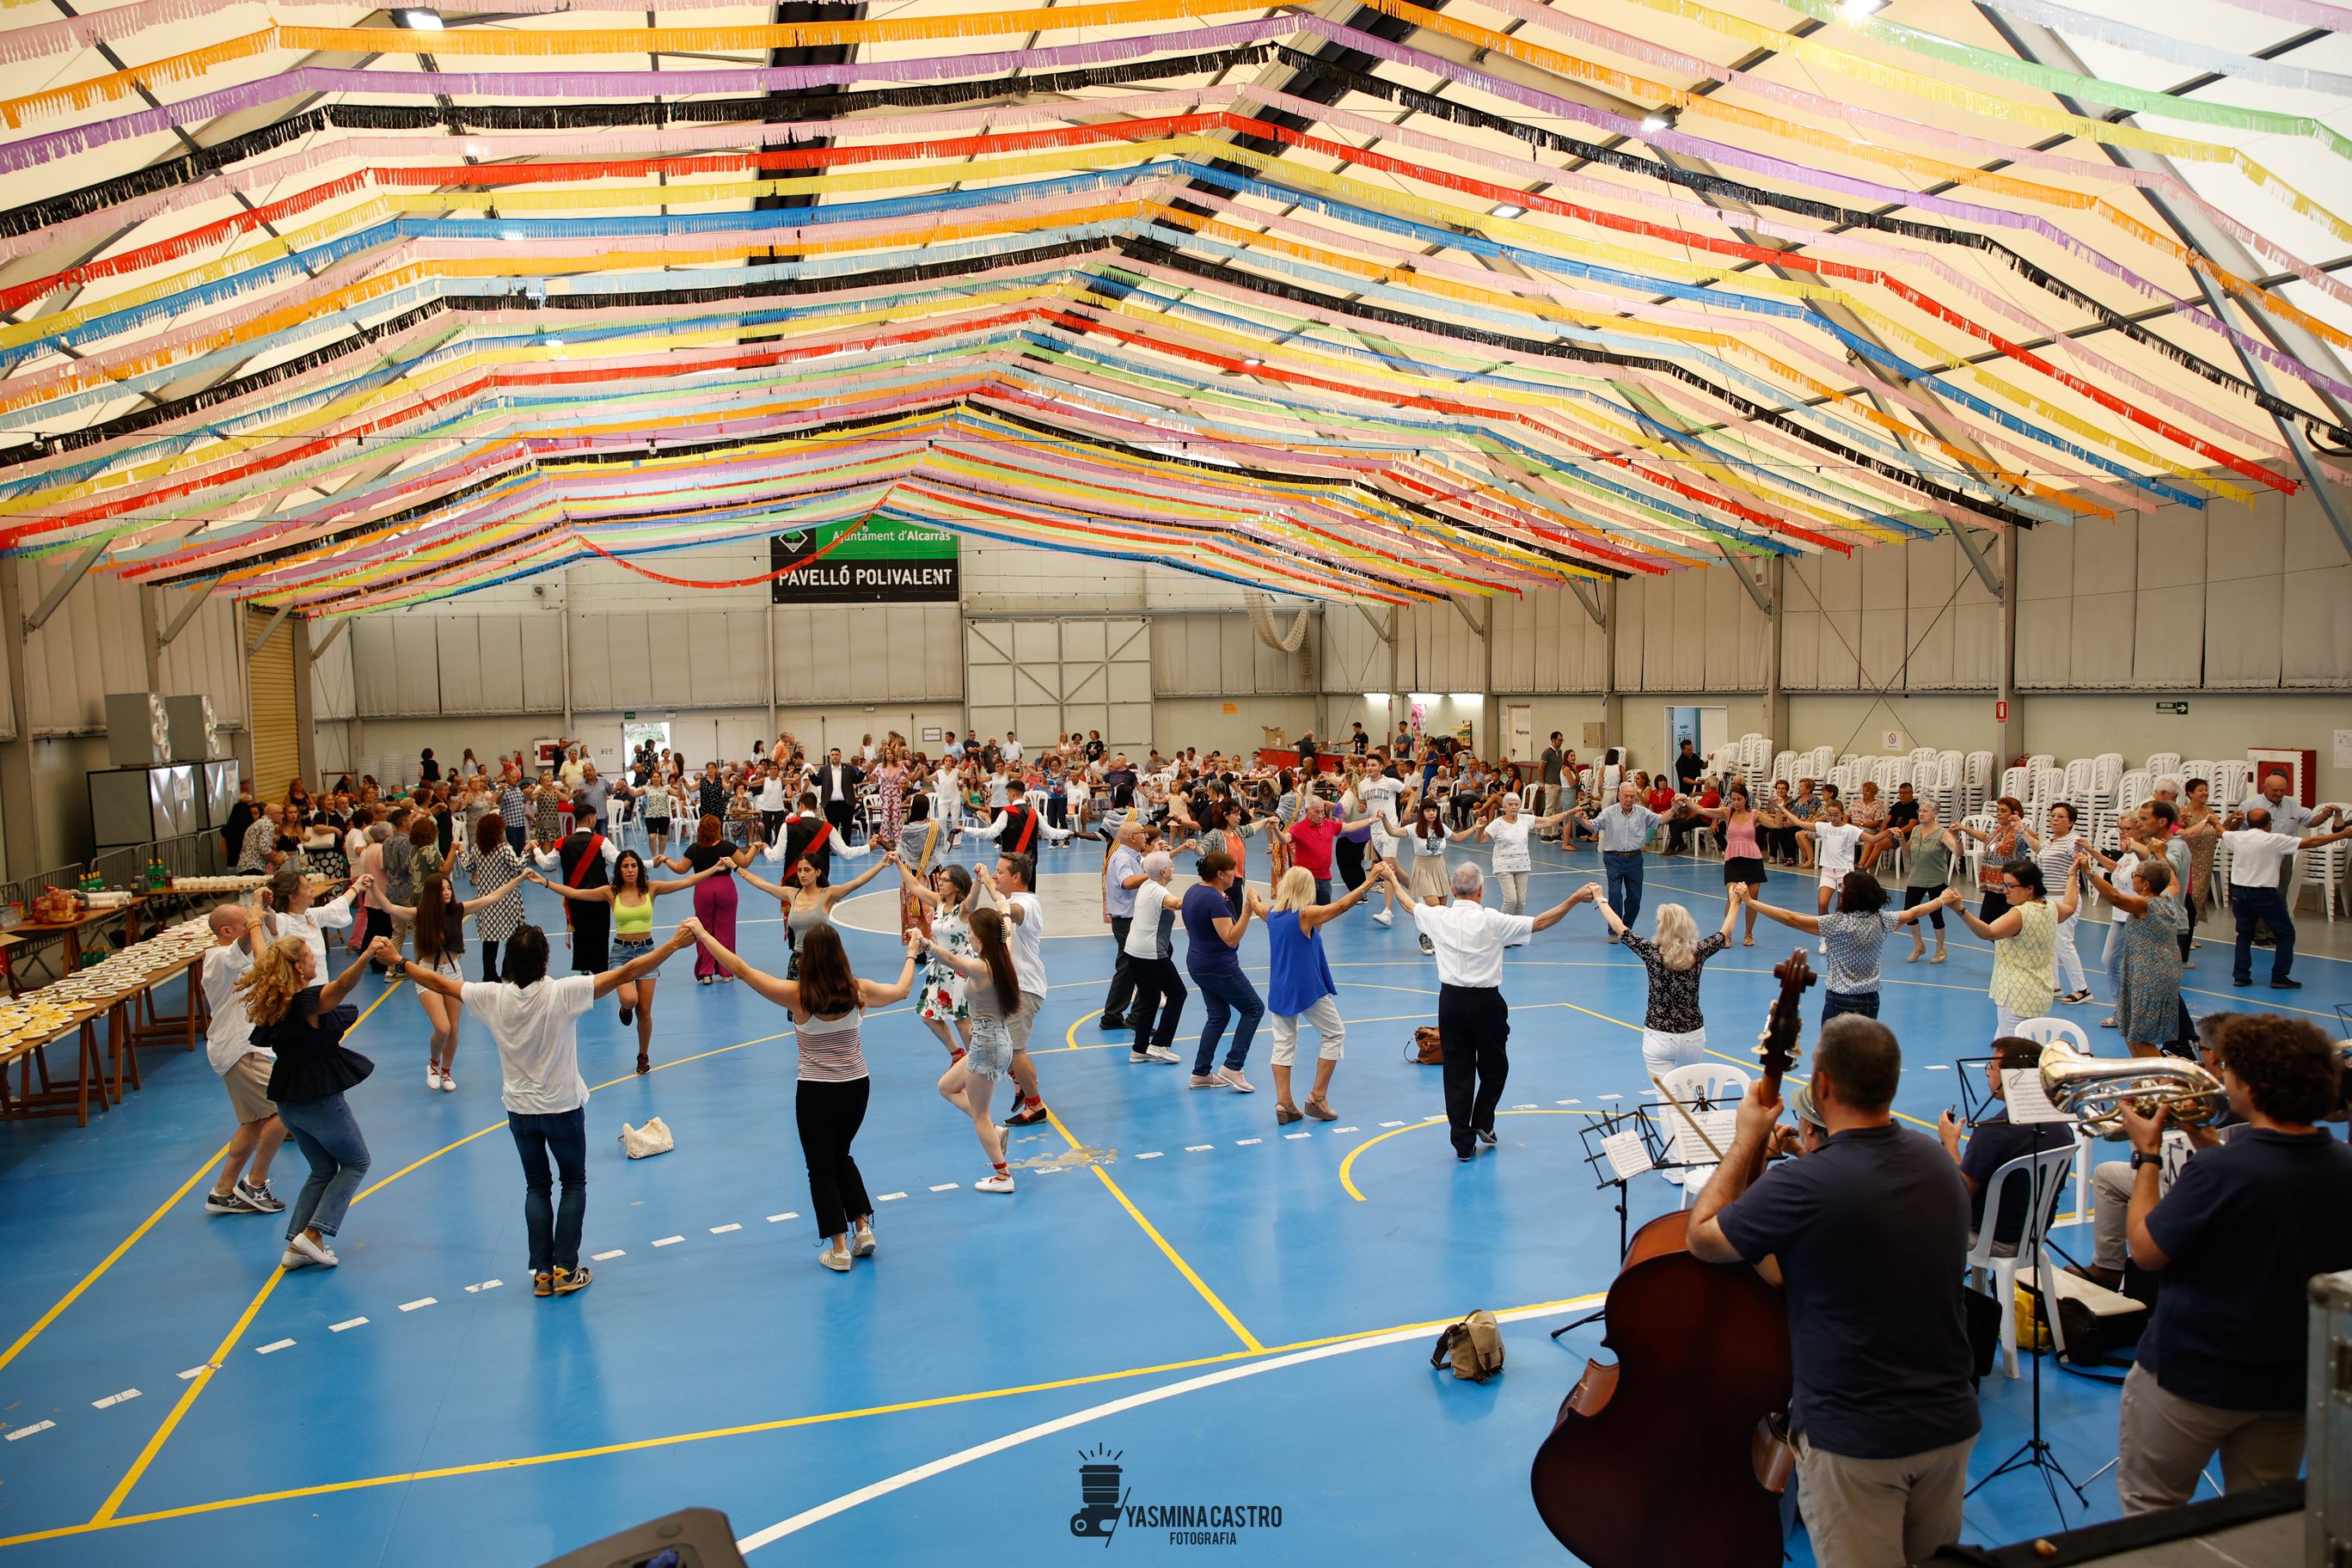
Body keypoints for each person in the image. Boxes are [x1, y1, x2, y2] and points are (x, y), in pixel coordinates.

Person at [1687, 1017, 1979, 1568]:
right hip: (1949, 1424)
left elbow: (1703, 1238)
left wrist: (1748, 1138)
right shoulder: (1937, 1163)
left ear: (1822, 1085)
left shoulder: (1805, 1185)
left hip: (1858, 1439)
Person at [2113, 1012, 2352, 1512]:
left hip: (2195, 1374)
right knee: (2256, 1520)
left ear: (2249, 1085)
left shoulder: (2223, 1170)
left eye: (2228, 1070)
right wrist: (2203, 1140)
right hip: (2288, 1381)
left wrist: (2148, 1155)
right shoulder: (2340, 1164)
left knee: (2151, 1508)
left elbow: (2146, 1251)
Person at [390, 923, 694, 1295]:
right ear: (545, 960)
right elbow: (626, 972)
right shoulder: (563, 992)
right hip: (561, 1107)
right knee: (573, 1183)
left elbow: (439, 982)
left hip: (519, 1111)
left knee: (537, 1187)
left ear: (509, 963)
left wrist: (399, 961)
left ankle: (543, 1274)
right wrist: (674, 944)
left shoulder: (491, 996)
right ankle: (567, 1268)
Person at [686, 919, 920, 1270]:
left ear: (806, 958)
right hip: (857, 1087)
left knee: (821, 1168)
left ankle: (839, 1249)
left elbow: (743, 971)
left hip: (816, 1092)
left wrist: (704, 934)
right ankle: (862, 1228)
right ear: (840, 955)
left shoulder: (799, 996)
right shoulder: (859, 991)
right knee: (841, 1154)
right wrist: (913, 951)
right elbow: (902, 991)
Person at [1386, 861, 1591, 1161]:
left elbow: (1407, 904)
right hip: (1486, 1004)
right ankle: (1483, 1119)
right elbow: (1540, 923)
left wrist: (1391, 878)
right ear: (1481, 891)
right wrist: (1574, 899)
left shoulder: (1437, 916)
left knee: (1457, 1073)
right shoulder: (1492, 920)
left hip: (1450, 1003)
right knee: (1495, 1068)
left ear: (1452, 890)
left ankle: (1463, 1143)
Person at [2069, 1013, 2245, 1293]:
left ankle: (2108, 1267)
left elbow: (2162, 1142)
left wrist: (2155, 1099)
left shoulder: (2215, 1097)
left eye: (2201, 1048)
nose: (2199, 1057)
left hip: (2188, 1183)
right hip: (2218, 1181)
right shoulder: (2247, 1089)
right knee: (2107, 1173)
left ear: (2214, 1056)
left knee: (2108, 1177)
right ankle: (2108, 1268)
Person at [242, 933, 383, 1271]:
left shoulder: (275, 1001)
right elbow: (342, 986)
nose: (313, 960)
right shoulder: (306, 1002)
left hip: (289, 1104)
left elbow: (268, 954)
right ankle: (314, 1234)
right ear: (297, 967)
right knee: (357, 1162)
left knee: (322, 1169)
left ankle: (297, 1245)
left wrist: (256, 927)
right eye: (308, 956)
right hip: (317, 1099)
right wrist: (366, 956)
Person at [532, 848, 731, 1073]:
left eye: (634, 866)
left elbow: (686, 882)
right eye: (625, 866)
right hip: (621, 954)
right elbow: (575, 893)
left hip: (647, 953)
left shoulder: (651, 889)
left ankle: (643, 1055)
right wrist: (545, 882)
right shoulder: (611, 892)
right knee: (630, 999)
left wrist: (714, 869)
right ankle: (625, 1008)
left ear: (639, 869)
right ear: (619, 870)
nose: (630, 870)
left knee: (644, 1011)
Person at [374, 854, 530, 1092]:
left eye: (449, 888)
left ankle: (446, 1071)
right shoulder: (420, 914)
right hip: (427, 973)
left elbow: (493, 897)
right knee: (443, 1028)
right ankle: (433, 1065)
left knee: (454, 1029)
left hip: (454, 973)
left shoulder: (457, 910)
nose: (447, 892)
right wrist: (372, 888)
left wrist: (519, 878)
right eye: (442, 889)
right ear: (432, 893)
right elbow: (389, 908)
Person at [1742, 873, 1961, 1022]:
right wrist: (1941, 900)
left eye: (1843, 888)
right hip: (1871, 998)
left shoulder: (1836, 923)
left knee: (1833, 1057)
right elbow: (1913, 912)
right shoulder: (1883, 920)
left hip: (1840, 999)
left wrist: (1751, 902)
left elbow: (1791, 919)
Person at [1589, 894, 1741, 1102]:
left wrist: (1600, 899)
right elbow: (1725, 932)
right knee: (1689, 1094)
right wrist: (1736, 902)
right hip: (1692, 1034)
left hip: (1659, 1035)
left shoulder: (1652, 953)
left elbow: (1619, 927)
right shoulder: (1698, 952)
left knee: (1667, 1099)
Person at [916, 907, 1023, 1194]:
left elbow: (951, 959)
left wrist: (926, 944)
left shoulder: (983, 967)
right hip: (991, 1040)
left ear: (982, 938)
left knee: (980, 1115)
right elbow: (1008, 933)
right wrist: (1003, 910)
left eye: (972, 934)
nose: (970, 938)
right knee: (947, 1086)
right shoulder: (1001, 956)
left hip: (987, 1044)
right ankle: (995, 1132)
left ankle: (1003, 1176)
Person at [1265, 865, 1380, 1124]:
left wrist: (1250, 899)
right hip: (1307, 989)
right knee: (1334, 1033)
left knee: (1283, 1043)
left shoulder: (1272, 914)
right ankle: (1318, 1096)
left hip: (1280, 989)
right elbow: (1341, 906)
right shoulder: (1305, 915)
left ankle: (1284, 1102)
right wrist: (1369, 880)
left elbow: (1257, 906)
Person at [1934, 1038, 2069, 1256]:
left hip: (1989, 1238)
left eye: (1992, 1067)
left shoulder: (1992, 1132)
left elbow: (1960, 1195)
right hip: (2036, 1234)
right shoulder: (2063, 1127)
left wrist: (1950, 1143)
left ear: (2012, 1077)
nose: (1988, 1073)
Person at [199, 903, 287, 1217]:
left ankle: (223, 1191)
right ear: (227, 930)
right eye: (245, 921)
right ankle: (255, 1182)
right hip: (241, 1050)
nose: (253, 924)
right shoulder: (217, 958)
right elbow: (239, 951)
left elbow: (269, 949)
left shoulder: (242, 954)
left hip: (241, 1049)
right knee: (285, 1108)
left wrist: (262, 910)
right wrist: (252, 924)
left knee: (252, 1123)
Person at [2218, 806, 2352, 989]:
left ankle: (2241, 975)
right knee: (2285, 934)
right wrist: (2343, 834)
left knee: (2244, 934)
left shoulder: (2238, 837)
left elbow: (2221, 831)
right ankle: (2279, 976)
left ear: (2249, 823)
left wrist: (2213, 821)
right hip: (2264, 894)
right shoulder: (2275, 840)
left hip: (2239, 894)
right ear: (2269, 824)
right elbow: (2313, 842)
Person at [1953, 857, 2083, 1038]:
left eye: (2011, 886)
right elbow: (2070, 906)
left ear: (2030, 888)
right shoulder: (2050, 908)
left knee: (2013, 1049)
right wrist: (2072, 875)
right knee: (2003, 1043)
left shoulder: (2019, 914)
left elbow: (1988, 933)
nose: (2005, 891)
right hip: (2039, 992)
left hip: (2016, 996)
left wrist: (1961, 910)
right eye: (2005, 885)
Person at [975, 852, 1053, 1127]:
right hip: (1012, 987)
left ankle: (1035, 1106)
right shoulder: (1009, 899)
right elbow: (999, 898)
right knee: (1002, 1043)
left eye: (1000, 872)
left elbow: (1015, 912)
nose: (996, 875)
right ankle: (1020, 1082)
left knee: (1017, 1050)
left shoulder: (1026, 904)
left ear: (1017, 877)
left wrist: (1004, 910)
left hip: (1025, 988)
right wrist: (986, 878)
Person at [2084, 854, 2190, 1058]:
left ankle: (2158, 1076)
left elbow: (2115, 898)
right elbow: (2174, 883)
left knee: (2141, 1037)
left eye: (2135, 875)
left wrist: (2090, 873)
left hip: (2150, 976)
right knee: (2129, 1030)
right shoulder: (2167, 898)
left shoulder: (2146, 905)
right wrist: (2161, 855)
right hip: (2148, 973)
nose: (2132, 878)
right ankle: (2143, 1074)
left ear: (2146, 884)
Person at [1182, 851, 1265, 1093]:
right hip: (1219, 967)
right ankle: (1232, 1066)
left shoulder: (1193, 891)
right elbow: (1230, 939)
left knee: (1218, 1016)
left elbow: (1190, 929)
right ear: (1220, 874)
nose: (1235, 875)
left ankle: (1200, 1073)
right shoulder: (1214, 900)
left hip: (1197, 963)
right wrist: (1248, 910)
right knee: (1254, 1009)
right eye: (1232, 871)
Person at [739, 848, 887, 980]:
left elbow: (857, 882)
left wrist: (881, 864)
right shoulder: (792, 894)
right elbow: (762, 884)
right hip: (798, 959)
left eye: (807, 870)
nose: (802, 875)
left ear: (818, 872)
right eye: (799, 870)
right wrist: (736, 868)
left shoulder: (828, 894)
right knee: (796, 1001)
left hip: (824, 959)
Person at [1676, 781, 1789, 946]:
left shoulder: (1755, 814)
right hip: (1733, 861)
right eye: (1733, 799)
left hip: (1753, 860)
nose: (1736, 803)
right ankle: (1726, 934)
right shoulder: (1726, 812)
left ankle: (1748, 934)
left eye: (1739, 799)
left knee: (1752, 900)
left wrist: (1779, 808)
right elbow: (1701, 810)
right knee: (1732, 897)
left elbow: (1777, 825)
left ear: (1745, 799)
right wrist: (1685, 800)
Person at [659, 815, 757, 985]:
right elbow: (745, 862)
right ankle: (726, 972)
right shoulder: (727, 846)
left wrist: (665, 859)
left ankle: (706, 972)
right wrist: (755, 846)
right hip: (725, 888)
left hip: (703, 889)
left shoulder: (694, 849)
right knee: (726, 929)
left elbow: (680, 869)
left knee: (702, 930)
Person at [1571, 782, 1670, 940]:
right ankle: (1614, 930)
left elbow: (1662, 819)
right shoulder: (1608, 812)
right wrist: (1581, 821)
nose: (1629, 800)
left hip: (1635, 859)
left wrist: (1675, 808)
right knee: (1615, 895)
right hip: (1613, 859)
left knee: (1634, 899)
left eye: (1632, 796)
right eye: (1626, 796)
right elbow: (1593, 826)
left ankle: (1626, 930)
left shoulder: (1643, 813)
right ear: (1619, 796)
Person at [1120, 848, 1187, 1066]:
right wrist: (1203, 894)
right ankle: (1160, 1044)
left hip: (1134, 950)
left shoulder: (1147, 886)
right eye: (1171, 866)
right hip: (1151, 953)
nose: (1173, 868)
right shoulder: (1158, 891)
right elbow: (1177, 903)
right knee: (1178, 994)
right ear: (1164, 871)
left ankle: (1139, 1049)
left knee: (1150, 999)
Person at [2022, 802, 2093, 1004]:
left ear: (2070, 822)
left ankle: (2082, 989)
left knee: (2063, 943)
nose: (2055, 819)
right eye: (2053, 815)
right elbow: (2037, 846)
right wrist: (2021, 829)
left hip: (2065, 898)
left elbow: (2080, 858)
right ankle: (2053, 985)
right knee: (2048, 943)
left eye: (2060, 817)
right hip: (2048, 898)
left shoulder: (2073, 842)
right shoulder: (2050, 841)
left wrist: (2081, 858)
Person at [1473, 792, 1569, 934]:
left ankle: (1517, 933)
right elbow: (1480, 840)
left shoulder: (1525, 819)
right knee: (1511, 900)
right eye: (1510, 804)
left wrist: (1568, 812)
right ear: (1504, 807)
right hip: (1503, 866)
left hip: (1522, 865)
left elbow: (1548, 821)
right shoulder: (1497, 823)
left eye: (1516, 804)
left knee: (1521, 901)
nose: (1513, 807)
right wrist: (1480, 829)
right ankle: (1500, 931)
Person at [1899, 800, 1959, 964]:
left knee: (1936, 914)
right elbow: (1907, 852)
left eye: (1925, 811)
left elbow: (1957, 852)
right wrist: (1901, 840)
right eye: (1920, 811)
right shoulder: (1916, 830)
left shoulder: (1942, 833)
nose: (1921, 813)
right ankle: (1919, 945)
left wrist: (1957, 839)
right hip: (1916, 878)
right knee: (1909, 913)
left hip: (1936, 880)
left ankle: (1940, 949)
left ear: (1935, 814)